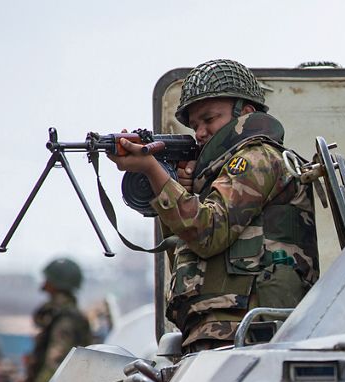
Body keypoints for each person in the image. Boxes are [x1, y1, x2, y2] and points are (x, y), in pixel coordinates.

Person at [107, 58, 318, 352]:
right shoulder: (218, 173)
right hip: (220, 329)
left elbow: (209, 233)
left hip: (246, 331)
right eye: (195, 125)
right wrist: (181, 189)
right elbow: (187, 250)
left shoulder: (256, 157)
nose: (201, 132)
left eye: (209, 119)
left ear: (245, 112)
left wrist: (152, 170)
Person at [26, 258, 93, 382]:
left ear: (55, 284)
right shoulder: (60, 314)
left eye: (47, 280)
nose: (43, 285)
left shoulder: (66, 319)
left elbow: (54, 364)